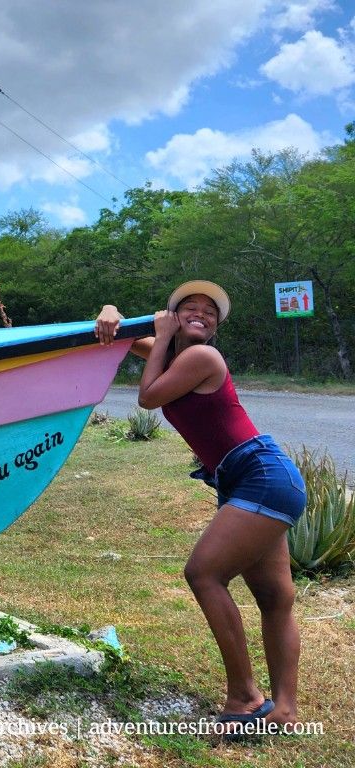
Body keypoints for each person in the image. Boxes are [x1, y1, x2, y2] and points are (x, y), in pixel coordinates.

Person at [94, 280, 305, 736]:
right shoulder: (175, 357)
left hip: (260, 475)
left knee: (204, 573)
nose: (201, 314)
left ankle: (244, 698)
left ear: (215, 328)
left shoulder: (202, 358)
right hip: (251, 479)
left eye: (210, 312)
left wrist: (163, 335)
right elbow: (125, 338)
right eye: (189, 307)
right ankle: (284, 711)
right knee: (274, 597)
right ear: (171, 315)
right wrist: (111, 308)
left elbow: (148, 397)